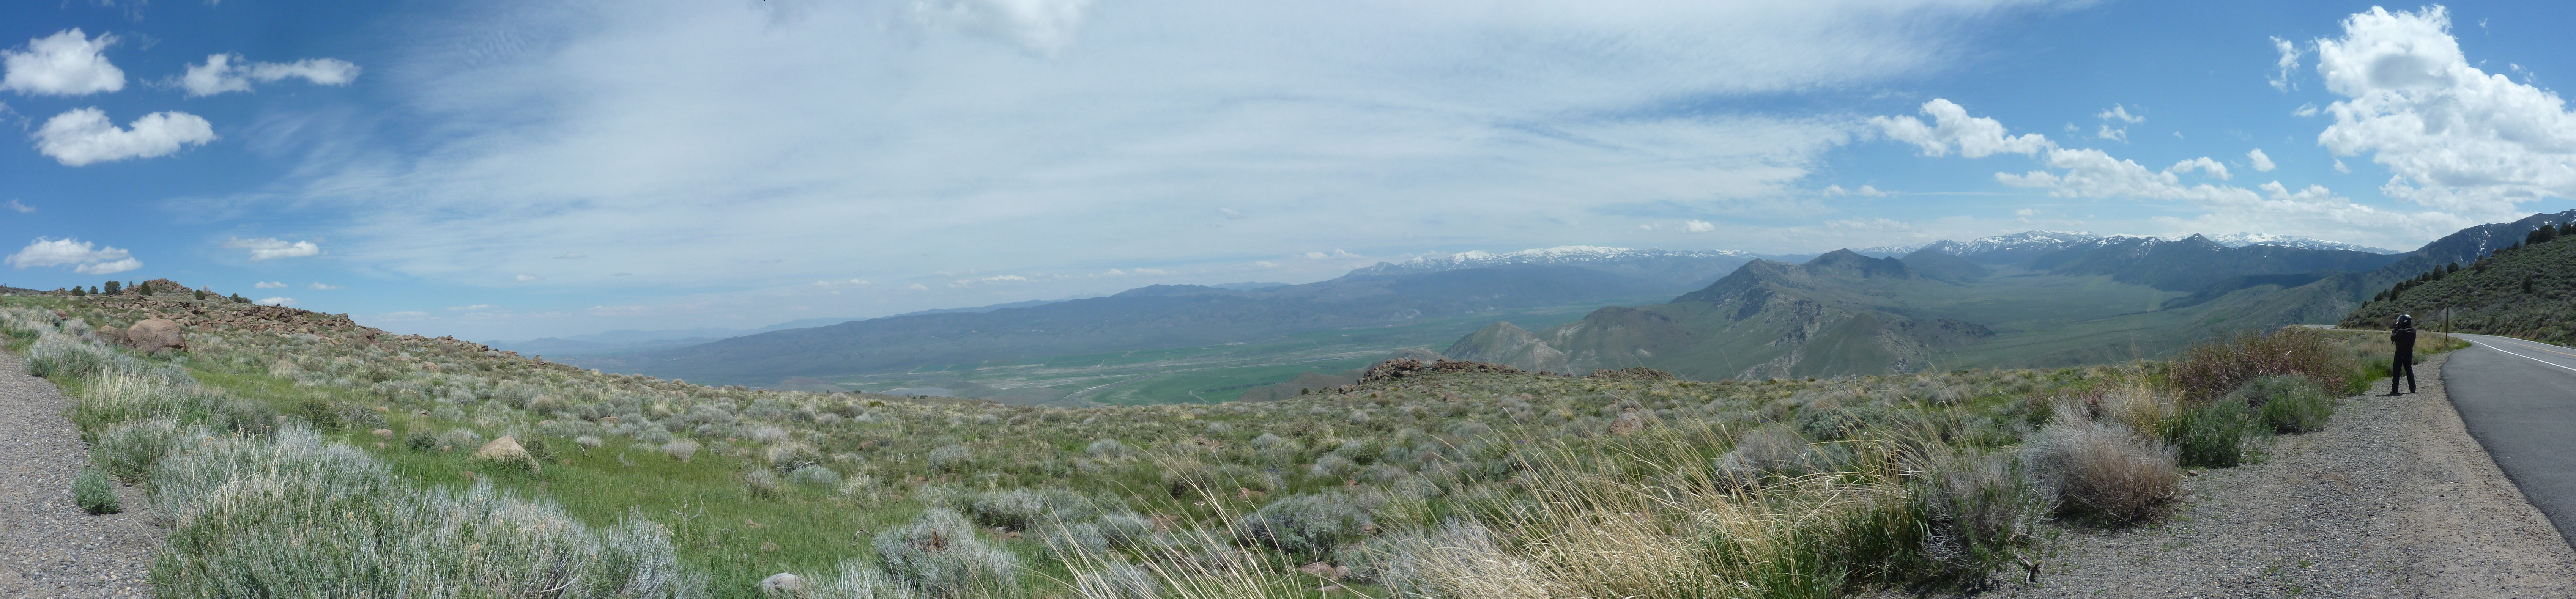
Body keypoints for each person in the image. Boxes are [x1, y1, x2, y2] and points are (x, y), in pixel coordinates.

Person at [2389, 314, 2417, 395]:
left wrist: (2395, 329)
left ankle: (2395, 390)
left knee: (2397, 372)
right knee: (2409, 371)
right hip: (2409, 353)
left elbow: (2393, 339)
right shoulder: (2414, 331)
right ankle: (2413, 389)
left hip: (2400, 353)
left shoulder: (2401, 331)